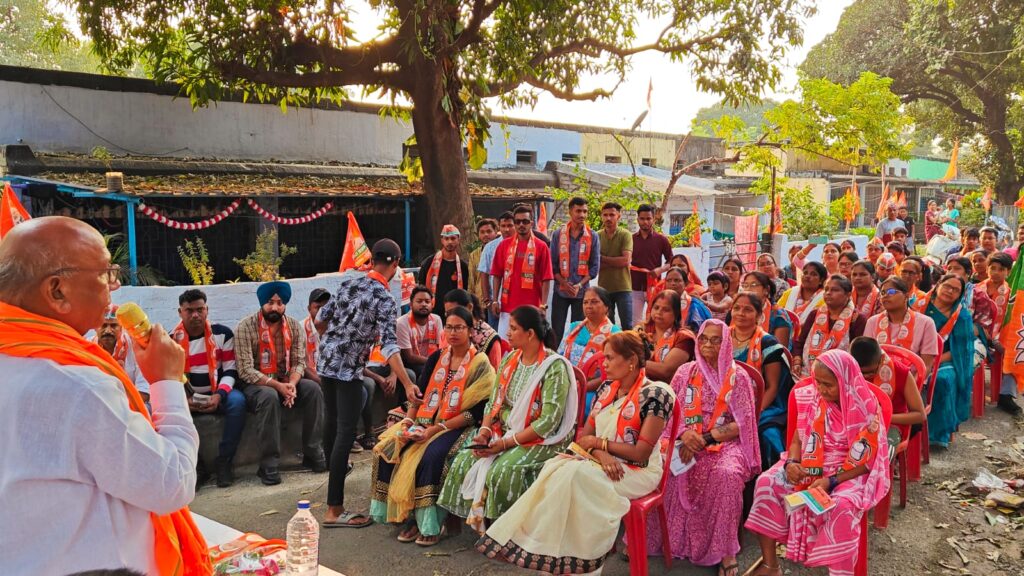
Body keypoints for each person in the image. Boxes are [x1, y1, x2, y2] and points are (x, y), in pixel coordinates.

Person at [0, 216, 210, 575]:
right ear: (57, 291)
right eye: (105, 273)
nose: (115, 285)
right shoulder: (77, 386)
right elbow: (171, 483)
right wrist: (166, 382)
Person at [478, 331, 673, 574]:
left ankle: (568, 560)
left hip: (638, 472)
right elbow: (584, 440)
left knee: (574, 476)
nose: (604, 364)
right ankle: (555, 558)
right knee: (555, 467)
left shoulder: (656, 394)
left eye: (610, 358)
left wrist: (598, 444)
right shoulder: (606, 390)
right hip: (603, 463)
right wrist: (601, 452)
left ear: (631, 360)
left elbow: (641, 453)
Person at [745, 350, 890, 576]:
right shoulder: (813, 398)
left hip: (849, 471)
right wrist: (791, 463)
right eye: (818, 382)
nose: (821, 389)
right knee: (766, 482)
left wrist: (832, 481)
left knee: (841, 506)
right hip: (811, 460)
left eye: (828, 384)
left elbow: (867, 461)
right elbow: (797, 439)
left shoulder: (866, 407)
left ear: (844, 380)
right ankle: (770, 564)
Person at [439, 306, 577, 531]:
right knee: (463, 459)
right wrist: (485, 432)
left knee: (502, 470)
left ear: (530, 334)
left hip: (543, 438)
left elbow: (548, 422)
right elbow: (494, 402)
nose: (507, 333)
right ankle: (472, 525)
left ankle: (506, 533)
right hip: (505, 429)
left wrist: (505, 443)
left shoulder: (553, 367)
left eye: (513, 328)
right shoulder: (511, 358)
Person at [316, 239, 421, 528]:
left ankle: (334, 475)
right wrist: (406, 383)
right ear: (396, 263)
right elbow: (390, 347)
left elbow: (320, 318)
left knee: (332, 423)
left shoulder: (348, 284)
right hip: (348, 369)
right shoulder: (384, 299)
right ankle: (334, 509)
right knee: (345, 433)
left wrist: (336, 339)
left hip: (326, 361)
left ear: (372, 259)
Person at [370, 306, 496, 546]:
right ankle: (405, 515)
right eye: (449, 327)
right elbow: (419, 395)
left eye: (459, 328)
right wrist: (409, 422)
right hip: (425, 420)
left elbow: (476, 412)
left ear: (470, 330)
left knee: (430, 456)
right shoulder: (437, 357)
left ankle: (429, 524)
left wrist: (436, 429)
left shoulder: (480, 363)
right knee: (389, 447)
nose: (453, 333)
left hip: (458, 425)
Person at [649, 320, 759, 575]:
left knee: (726, 475)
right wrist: (684, 434)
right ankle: (661, 538)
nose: (708, 344)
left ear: (726, 344)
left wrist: (705, 438)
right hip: (683, 436)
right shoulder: (684, 372)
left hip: (723, 443)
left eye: (715, 339)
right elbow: (669, 411)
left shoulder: (738, 377)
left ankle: (726, 551)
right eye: (703, 339)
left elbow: (742, 424)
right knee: (663, 463)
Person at [235, 281, 326, 486]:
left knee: (313, 389)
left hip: (285, 380)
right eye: (270, 303)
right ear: (262, 303)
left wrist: (291, 385)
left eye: (280, 303)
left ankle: (313, 451)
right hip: (255, 383)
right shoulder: (245, 327)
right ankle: (269, 463)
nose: (275, 307)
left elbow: (299, 362)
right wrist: (277, 387)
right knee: (269, 397)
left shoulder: (293, 327)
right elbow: (245, 370)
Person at [172, 289, 244, 488]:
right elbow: (171, 378)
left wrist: (219, 395)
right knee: (171, 411)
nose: (195, 315)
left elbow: (230, 370)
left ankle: (224, 462)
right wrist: (185, 400)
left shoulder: (223, 334)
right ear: (180, 312)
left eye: (200, 309)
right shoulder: (170, 341)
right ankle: (197, 467)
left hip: (218, 392)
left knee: (238, 402)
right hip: (188, 396)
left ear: (207, 310)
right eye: (189, 311)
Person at [730, 293, 794, 468]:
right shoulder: (721, 337)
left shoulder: (767, 343)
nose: (741, 313)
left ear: (759, 315)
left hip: (761, 403)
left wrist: (753, 412)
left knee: (768, 434)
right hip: (724, 401)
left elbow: (772, 387)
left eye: (748, 310)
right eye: (737, 308)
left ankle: (773, 474)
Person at [922, 275, 974, 448]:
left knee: (942, 380)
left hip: (943, 360)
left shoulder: (961, 316)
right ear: (938, 285)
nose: (950, 291)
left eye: (956, 290)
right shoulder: (918, 305)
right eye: (947, 286)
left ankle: (936, 434)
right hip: (913, 355)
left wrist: (930, 363)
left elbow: (958, 350)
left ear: (960, 295)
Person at [490, 205, 554, 338]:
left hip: (532, 308)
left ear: (531, 223)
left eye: (525, 221)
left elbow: (546, 278)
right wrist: (495, 300)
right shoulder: (503, 245)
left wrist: (543, 305)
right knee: (506, 345)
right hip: (507, 307)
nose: (521, 225)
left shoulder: (541, 247)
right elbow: (497, 275)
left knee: (529, 344)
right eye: (517, 221)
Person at [792, 275, 866, 379]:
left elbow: (858, 353)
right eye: (826, 289)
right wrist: (797, 361)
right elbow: (800, 342)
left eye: (835, 290)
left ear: (848, 294)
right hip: (806, 372)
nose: (828, 293)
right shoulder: (815, 314)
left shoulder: (857, 319)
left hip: (841, 375)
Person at [864, 278, 939, 377]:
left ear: (906, 296)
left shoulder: (926, 323)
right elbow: (867, 359)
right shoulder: (872, 322)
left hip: (912, 380)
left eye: (891, 292)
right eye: (882, 293)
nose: (885, 295)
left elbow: (926, 366)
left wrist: (910, 385)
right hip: (877, 378)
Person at [550, 196, 600, 343]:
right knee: (556, 331)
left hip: (581, 293)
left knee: (579, 332)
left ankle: (576, 357)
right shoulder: (558, 234)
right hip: (560, 291)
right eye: (578, 211)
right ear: (570, 212)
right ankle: (555, 356)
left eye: (585, 211)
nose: (582, 215)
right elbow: (552, 264)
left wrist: (579, 285)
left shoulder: (593, 236)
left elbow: (594, 267)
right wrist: (564, 283)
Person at [558, 286, 622, 400]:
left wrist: (582, 387)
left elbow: (615, 371)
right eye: (585, 302)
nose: (588, 306)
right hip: (567, 383)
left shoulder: (614, 333)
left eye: (594, 302)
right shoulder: (574, 328)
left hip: (596, 389)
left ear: (606, 307)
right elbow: (560, 357)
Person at [850, 337, 926, 430]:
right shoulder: (846, 370)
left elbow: (920, 415)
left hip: (891, 425)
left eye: (871, 372)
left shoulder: (900, 372)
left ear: (882, 359)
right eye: (861, 373)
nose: (866, 376)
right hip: (855, 424)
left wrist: (882, 417)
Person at [982, 253, 1020, 415]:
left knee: (1014, 352)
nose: (996, 272)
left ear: (1008, 272)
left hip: (1000, 336)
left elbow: (1011, 322)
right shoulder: (976, 289)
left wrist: (996, 338)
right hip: (977, 335)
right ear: (987, 269)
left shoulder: (1011, 294)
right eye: (993, 268)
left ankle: (1006, 395)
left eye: (1001, 269)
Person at [93, 304, 150, 403]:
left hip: (131, 405)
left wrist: (118, 407)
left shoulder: (136, 346)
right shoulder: (86, 347)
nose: (108, 331)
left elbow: (144, 392)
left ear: (121, 328)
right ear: (95, 328)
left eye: (113, 326)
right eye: (103, 325)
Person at [631, 203, 675, 319]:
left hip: (655, 286)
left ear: (654, 219)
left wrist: (660, 270)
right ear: (637, 220)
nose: (645, 222)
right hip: (635, 287)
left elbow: (671, 261)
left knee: (656, 319)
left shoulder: (661, 240)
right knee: (635, 322)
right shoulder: (631, 239)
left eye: (648, 218)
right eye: (642, 219)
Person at [642, 290, 695, 381]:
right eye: (656, 307)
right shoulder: (642, 330)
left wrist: (634, 363)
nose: (659, 312)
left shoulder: (684, 338)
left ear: (676, 313)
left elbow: (665, 371)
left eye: (666, 309)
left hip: (670, 387)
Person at [418, 224, 470, 317]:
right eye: (446, 239)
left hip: (454, 312)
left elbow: (465, 289)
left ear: (458, 240)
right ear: (442, 240)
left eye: (453, 238)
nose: (450, 242)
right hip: (432, 311)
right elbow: (421, 285)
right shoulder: (429, 263)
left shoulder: (462, 266)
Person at [443, 289, 503, 369]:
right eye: (448, 313)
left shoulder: (491, 339)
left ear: (469, 307)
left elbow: (494, 372)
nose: (451, 316)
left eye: (455, 311)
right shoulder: (446, 331)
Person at [597, 202, 634, 328]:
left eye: (612, 215)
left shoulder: (625, 235)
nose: (608, 218)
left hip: (623, 287)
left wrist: (602, 258)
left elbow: (625, 261)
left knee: (627, 325)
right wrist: (616, 261)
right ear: (601, 216)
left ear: (618, 216)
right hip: (603, 289)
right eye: (605, 215)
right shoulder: (597, 236)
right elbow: (594, 264)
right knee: (607, 327)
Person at [398, 285, 446, 379]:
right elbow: (409, 357)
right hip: (410, 363)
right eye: (419, 301)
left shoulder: (436, 319)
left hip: (431, 360)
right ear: (411, 304)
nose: (424, 304)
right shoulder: (402, 323)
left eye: (427, 301)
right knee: (426, 371)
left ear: (432, 304)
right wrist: (432, 361)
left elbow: (440, 347)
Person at [738, 271, 792, 348]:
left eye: (753, 285)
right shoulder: (738, 311)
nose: (748, 289)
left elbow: (780, 350)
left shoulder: (778, 316)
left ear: (766, 290)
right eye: (745, 285)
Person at [479, 212, 514, 328]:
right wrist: (488, 301)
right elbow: (484, 274)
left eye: (510, 225)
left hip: (515, 299)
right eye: (503, 226)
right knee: (495, 334)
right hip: (496, 302)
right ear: (499, 227)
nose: (506, 229)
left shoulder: (523, 245)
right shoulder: (490, 247)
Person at [660, 266, 713, 332]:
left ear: (686, 283)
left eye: (676, 280)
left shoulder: (693, 305)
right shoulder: (662, 303)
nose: (672, 283)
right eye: (669, 280)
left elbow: (697, 329)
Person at [303, 288, 331, 384]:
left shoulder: (336, 327)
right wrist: (322, 383)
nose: (322, 312)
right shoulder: (300, 328)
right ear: (309, 309)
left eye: (326, 307)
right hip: (311, 377)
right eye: (318, 307)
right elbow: (302, 364)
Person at [469, 218, 498, 303]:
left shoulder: (501, 250)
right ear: (478, 235)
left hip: (497, 299)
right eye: (482, 232)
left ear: (496, 232)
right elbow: (471, 280)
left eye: (489, 231)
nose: (485, 234)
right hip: (480, 301)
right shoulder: (474, 255)